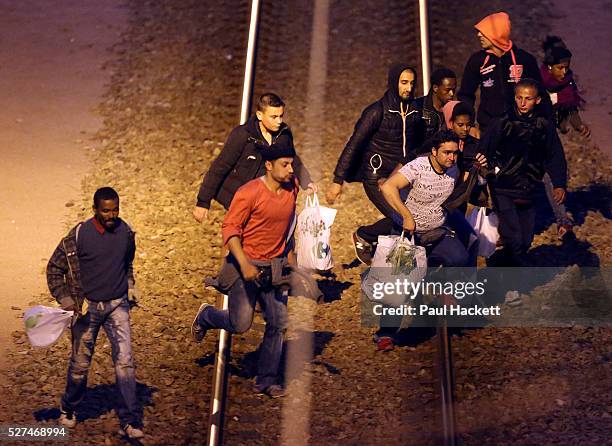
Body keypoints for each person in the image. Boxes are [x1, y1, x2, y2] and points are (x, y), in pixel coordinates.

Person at [191, 143, 300, 398]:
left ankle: (266, 380)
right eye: (285, 164)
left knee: (278, 322)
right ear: (269, 166)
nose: (291, 169)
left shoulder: (291, 187)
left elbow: (291, 221)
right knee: (240, 323)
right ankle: (207, 315)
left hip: (274, 266)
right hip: (244, 266)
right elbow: (230, 230)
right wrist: (245, 264)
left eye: (292, 163)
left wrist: (291, 253)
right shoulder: (249, 193)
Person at [46, 187, 143, 439]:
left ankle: (129, 420)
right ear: (95, 210)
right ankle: (68, 408)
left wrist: (130, 285)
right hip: (88, 309)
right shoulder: (79, 235)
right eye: (106, 210)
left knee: (125, 364)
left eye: (115, 209)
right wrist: (66, 299)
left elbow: (127, 262)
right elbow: (54, 269)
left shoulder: (126, 232)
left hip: (117, 305)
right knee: (79, 365)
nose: (111, 215)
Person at [375, 130, 486, 351]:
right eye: (446, 152)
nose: (451, 158)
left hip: (437, 231)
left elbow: (468, 183)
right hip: (408, 235)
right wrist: (406, 215)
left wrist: (477, 168)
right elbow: (388, 187)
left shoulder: (455, 166)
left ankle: (441, 291)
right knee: (397, 285)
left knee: (459, 257)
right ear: (434, 151)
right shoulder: (418, 166)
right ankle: (386, 333)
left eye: (455, 153)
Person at [326, 63, 424, 264]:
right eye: (404, 83)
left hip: (402, 177)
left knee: (414, 217)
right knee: (401, 218)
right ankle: (365, 235)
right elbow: (354, 144)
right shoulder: (377, 111)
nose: (408, 88)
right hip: (376, 176)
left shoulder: (415, 110)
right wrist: (338, 180)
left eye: (412, 83)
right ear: (393, 82)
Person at [480, 79, 568, 267]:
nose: (522, 103)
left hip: (530, 187)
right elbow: (483, 151)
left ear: (537, 100)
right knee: (513, 237)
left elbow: (555, 155)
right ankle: (514, 282)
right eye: (519, 98)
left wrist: (559, 184)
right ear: (514, 98)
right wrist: (489, 173)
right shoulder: (502, 123)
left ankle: (498, 263)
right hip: (503, 187)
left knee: (526, 239)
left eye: (528, 99)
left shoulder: (544, 125)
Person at [193, 93, 315, 223]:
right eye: (274, 117)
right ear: (260, 115)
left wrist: (306, 181)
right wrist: (203, 202)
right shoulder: (242, 136)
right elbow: (220, 167)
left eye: (281, 116)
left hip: (267, 200)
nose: (279, 121)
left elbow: (292, 159)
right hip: (240, 200)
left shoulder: (283, 135)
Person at [458, 11, 550, 134]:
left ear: (497, 33)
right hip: (489, 129)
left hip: (523, 129)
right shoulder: (477, 61)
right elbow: (465, 95)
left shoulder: (525, 59)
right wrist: (470, 125)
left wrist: (544, 124)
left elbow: (541, 94)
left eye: (484, 32)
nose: (479, 35)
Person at [540, 35, 590, 137]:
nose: (564, 72)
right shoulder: (537, 81)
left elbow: (570, 107)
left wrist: (579, 126)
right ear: (550, 67)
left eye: (566, 68)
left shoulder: (568, 83)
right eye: (560, 68)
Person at [414, 68, 457, 141]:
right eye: (447, 90)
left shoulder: (456, 109)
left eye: (453, 90)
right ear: (435, 88)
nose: (451, 94)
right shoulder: (417, 107)